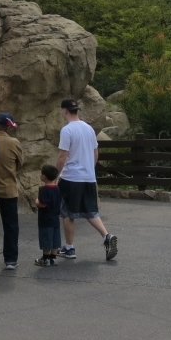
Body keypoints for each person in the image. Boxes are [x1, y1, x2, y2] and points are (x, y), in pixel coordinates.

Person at [55, 98, 118, 261]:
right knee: (90, 209)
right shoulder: (89, 129)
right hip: (89, 177)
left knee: (67, 212)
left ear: (65, 111)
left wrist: (56, 175)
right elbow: (95, 153)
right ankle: (106, 236)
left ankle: (69, 247)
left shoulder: (67, 130)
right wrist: (90, 168)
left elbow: (62, 156)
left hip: (71, 177)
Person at [0, 112, 23, 270]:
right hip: (8, 189)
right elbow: (19, 165)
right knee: (10, 225)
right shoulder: (13, 142)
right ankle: (11, 260)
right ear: (8, 128)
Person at [34, 165, 62, 266]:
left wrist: (37, 201)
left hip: (45, 219)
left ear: (44, 177)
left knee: (46, 238)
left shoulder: (44, 190)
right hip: (55, 219)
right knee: (55, 238)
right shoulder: (57, 189)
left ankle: (45, 258)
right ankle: (53, 258)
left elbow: (43, 204)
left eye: (41, 174)